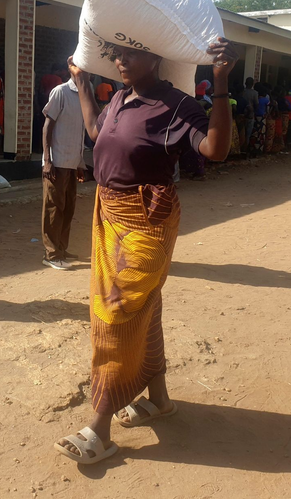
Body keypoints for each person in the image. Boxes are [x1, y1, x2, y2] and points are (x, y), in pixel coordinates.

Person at [54, 37, 238, 465]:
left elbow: (216, 150)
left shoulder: (177, 105)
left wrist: (221, 84)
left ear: (156, 56)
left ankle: (99, 428)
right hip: (109, 214)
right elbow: (99, 133)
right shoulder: (119, 98)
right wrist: (82, 85)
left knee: (117, 312)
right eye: (116, 53)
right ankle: (158, 399)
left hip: (147, 221)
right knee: (146, 306)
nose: (120, 60)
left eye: (129, 53)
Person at [41, 75, 86, 271]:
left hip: (72, 161)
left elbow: (80, 131)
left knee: (68, 208)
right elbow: (47, 127)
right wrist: (47, 161)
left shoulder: (85, 93)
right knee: (53, 208)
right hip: (57, 161)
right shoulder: (61, 92)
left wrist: (80, 162)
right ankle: (51, 254)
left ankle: (61, 248)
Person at [242, 77, 258, 151]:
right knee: (247, 134)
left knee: (240, 133)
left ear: (245, 83)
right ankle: (245, 150)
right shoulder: (255, 93)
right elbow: (256, 104)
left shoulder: (242, 92)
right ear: (252, 84)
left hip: (241, 114)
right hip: (250, 115)